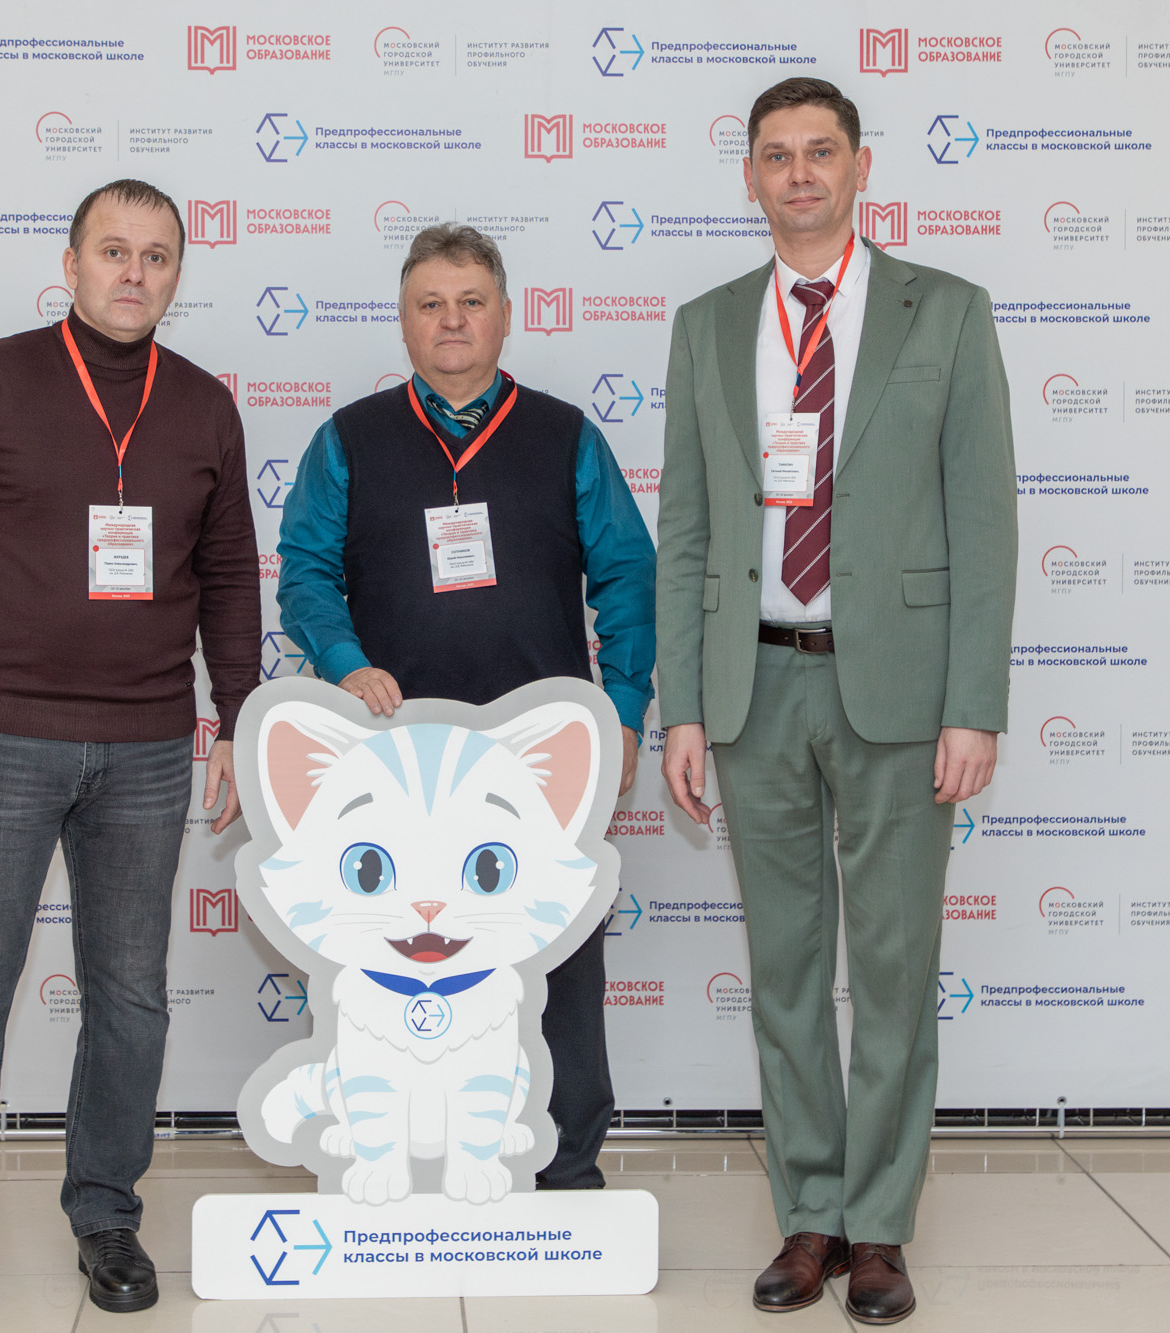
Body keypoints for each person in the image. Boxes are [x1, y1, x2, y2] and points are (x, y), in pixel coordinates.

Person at [656, 79, 1017, 1324]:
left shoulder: (945, 311)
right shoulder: (706, 326)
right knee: (784, 968)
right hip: (750, 684)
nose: (799, 173)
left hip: (902, 693)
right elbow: (687, 529)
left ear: (860, 167)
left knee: (895, 964)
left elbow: (983, 521)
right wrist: (683, 705)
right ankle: (807, 1210)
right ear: (748, 177)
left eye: (820, 152)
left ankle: (880, 1225)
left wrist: (972, 704)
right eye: (776, 155)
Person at [0, 178, 259, 1326]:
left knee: (129, 995)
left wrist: (237, 714)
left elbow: (228, 574)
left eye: (156, 255)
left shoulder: (204, 405)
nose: (133, 272)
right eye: (112, 251)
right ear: (71, 263)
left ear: (177, 273)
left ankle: (105, 1214)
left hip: (147, 746)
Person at [275, 222, 657, 1190]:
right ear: (403, 321)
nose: (451, 321)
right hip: (393, 763)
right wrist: (345, 662)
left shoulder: (566, 435)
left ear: (505, 316)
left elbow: (628, 575)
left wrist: (620, 710)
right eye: (430, 304)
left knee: (558, 959)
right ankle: (396, 1161)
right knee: (389, 963)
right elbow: (305, 572)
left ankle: (568, 1168)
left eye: (470, 302)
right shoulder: (348, 439)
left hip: (537, 765)